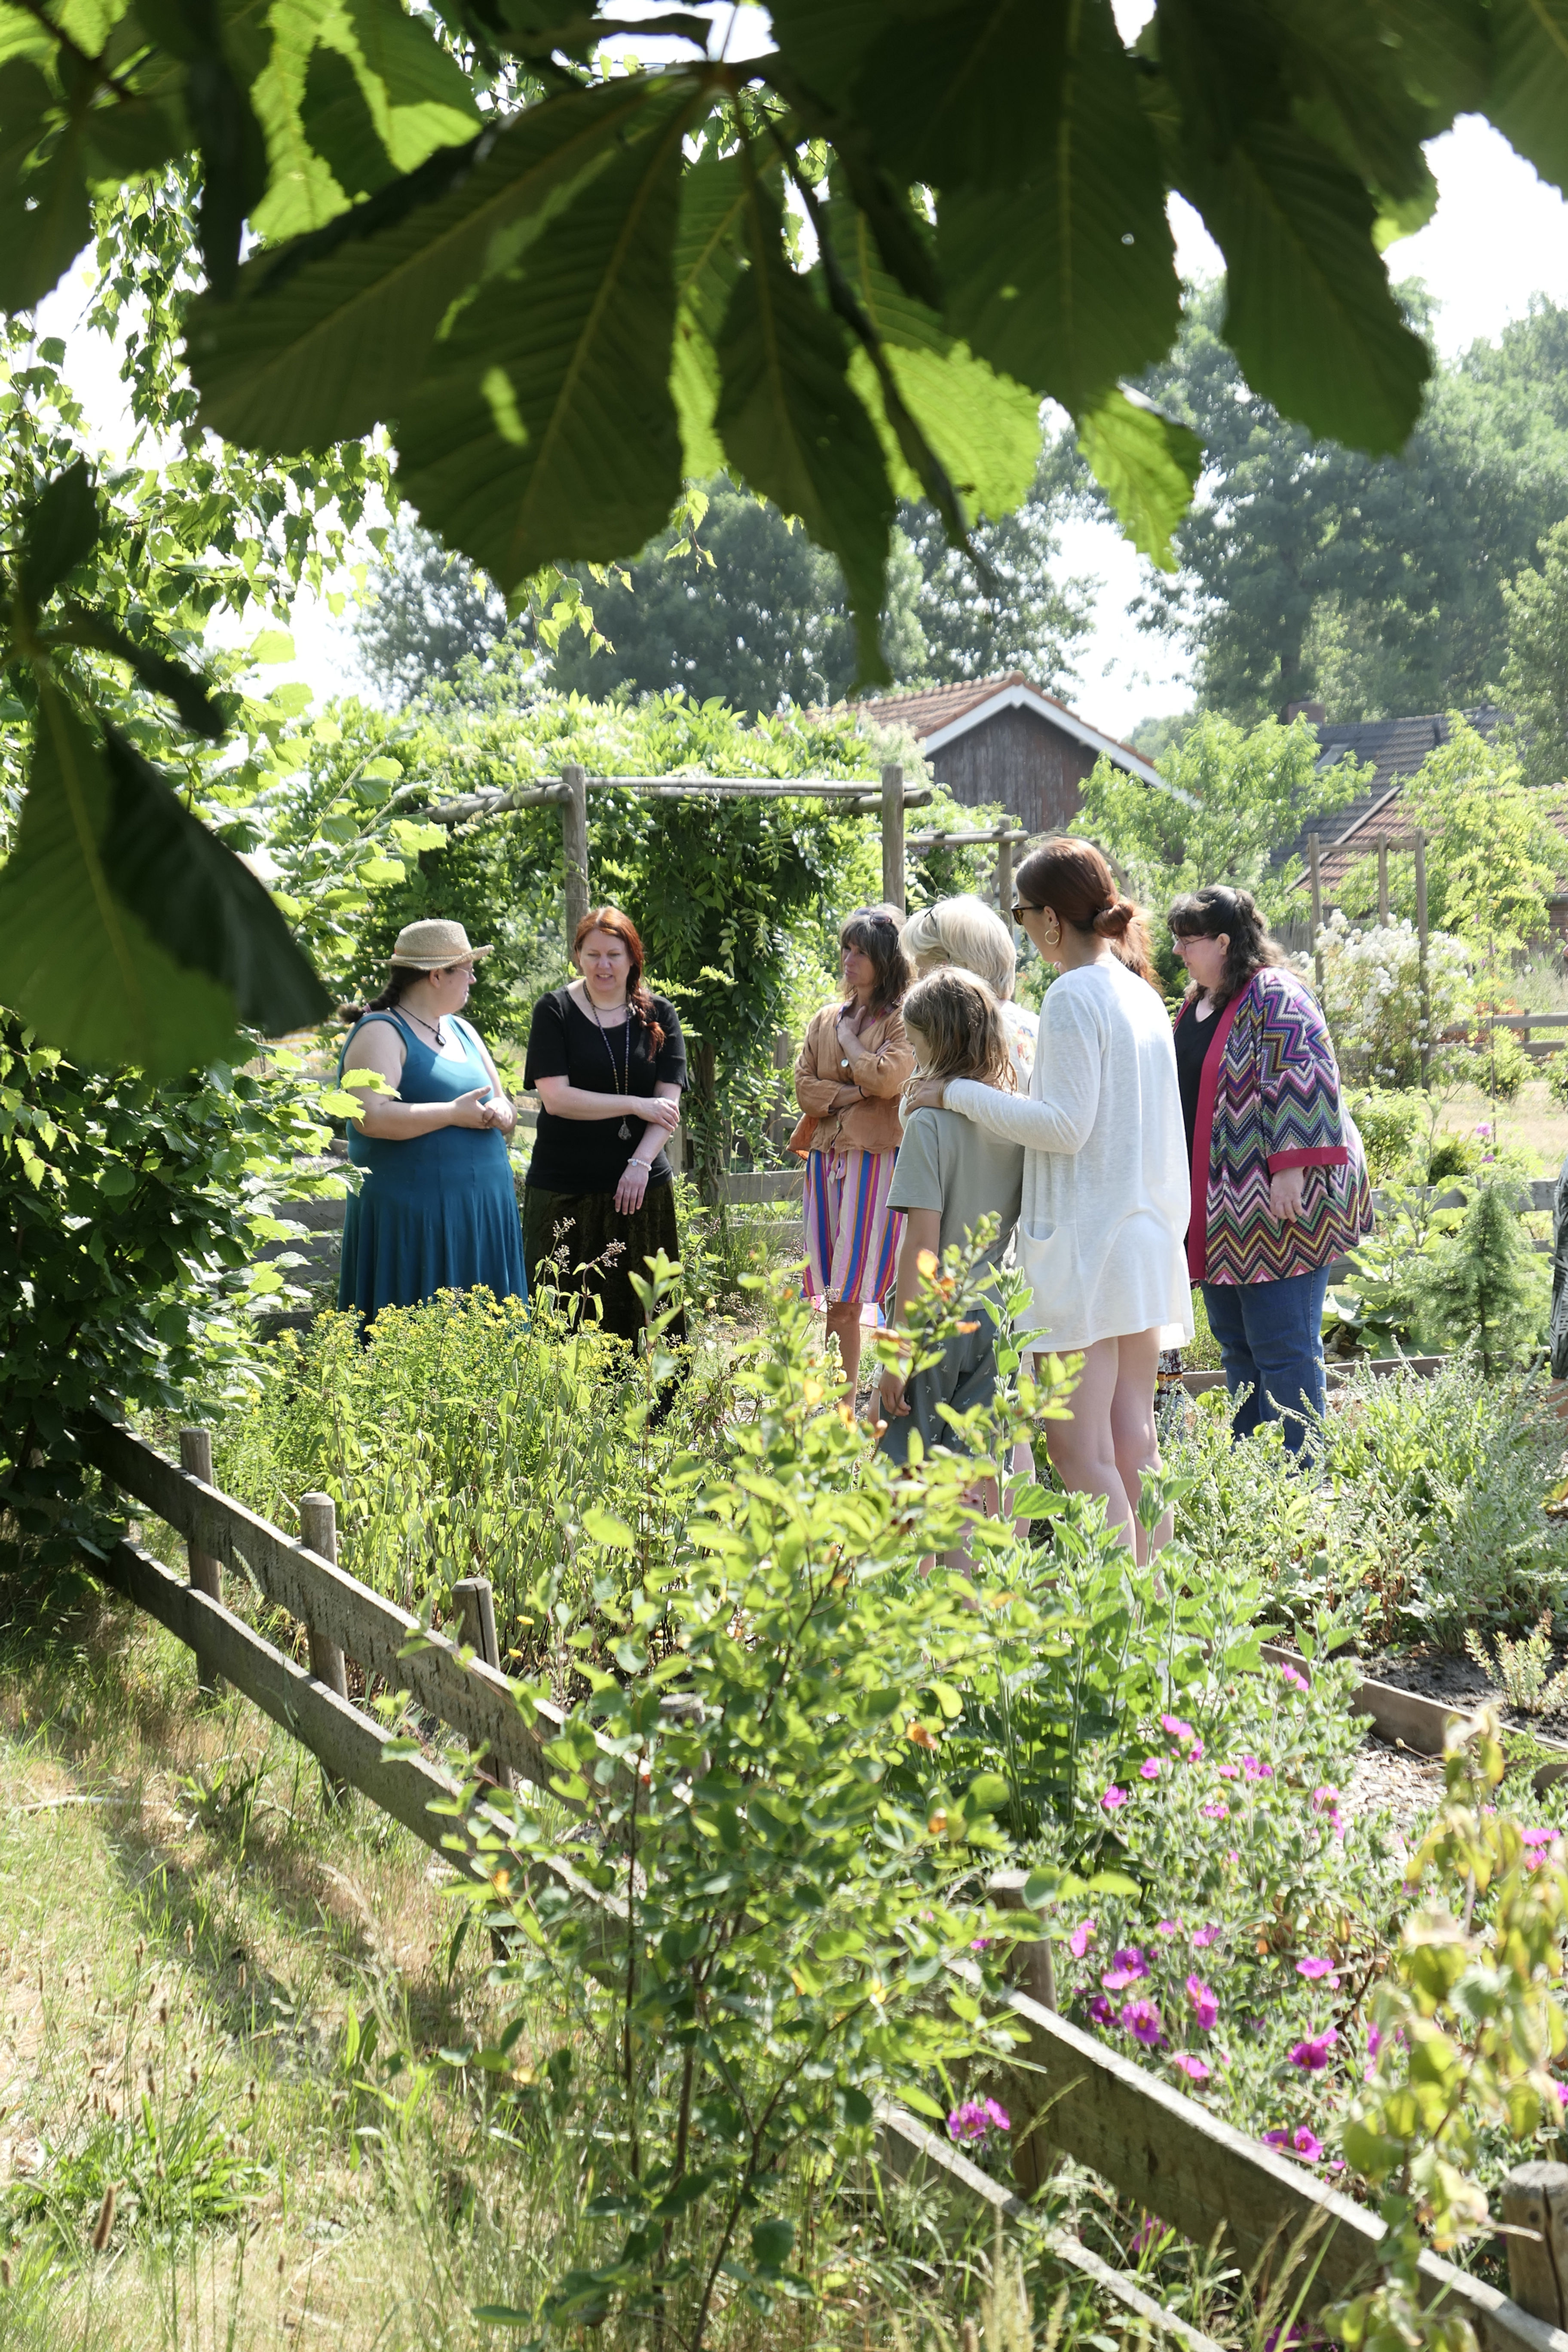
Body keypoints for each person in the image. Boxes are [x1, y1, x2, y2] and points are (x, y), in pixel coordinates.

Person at [907, 840, 1191, 1556]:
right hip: (1146, 1237)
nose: (1023, 931)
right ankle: (1155, 1615)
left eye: (1023, 914)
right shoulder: (1140, 992)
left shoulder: (1072, 992)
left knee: (1075, 1448)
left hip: (1087, 1244)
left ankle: (1122, 1622)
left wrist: (956, 1093)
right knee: (1133, 1437)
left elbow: (1063, 1127)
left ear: (1053, 921)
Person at [1169, 885, 1371, 1453]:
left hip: (1278, 1208)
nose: (1179, 951)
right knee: (1236, 1346)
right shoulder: (1199, 1004)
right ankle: (1253, 1470)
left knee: (1283, 1347)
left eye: (1189, 941)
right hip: (1224, 1214)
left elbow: (1304, 1078)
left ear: (1226, 942)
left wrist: (1292, 1171)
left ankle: (1302, 1482)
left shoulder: (1275, 995)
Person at [878, 969, 1025, 1501]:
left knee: (901, 1474)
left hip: (937, 1321)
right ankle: (965, 1588)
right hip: (995, 1320)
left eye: (916, 1048)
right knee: (966, 1482)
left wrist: (898, 1355)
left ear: (937, 1046)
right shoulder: (1011, 1120)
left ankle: (899, 1584)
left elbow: (922, 1247)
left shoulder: (926, 1125)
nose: (913, 1063)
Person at [337, 918, 526, 1323]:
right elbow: (372, 1117)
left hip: (480, 1211)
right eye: (467, 969)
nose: (473, 979)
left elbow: (503, 1102)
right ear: (437, 976)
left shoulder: (462, 1030)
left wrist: (503, 1112)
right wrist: (453, 1114)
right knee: (418, 1330)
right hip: (415, 1218)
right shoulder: (381, 1032)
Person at [522, 907, 687, 1346]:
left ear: (633, 958)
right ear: (578, 956)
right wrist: (636, 1104)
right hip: (564, 1187)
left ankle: (653, 1413)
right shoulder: (553, 1011)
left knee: (648, 1315)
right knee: (561, 1318)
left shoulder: (661, 1016)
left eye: (614, 954)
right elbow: (557, 1099)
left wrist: (639, 1163)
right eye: (593, 954)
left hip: (640, 1191)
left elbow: (667, 1109)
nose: (604, 965)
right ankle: (566, 1414)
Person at [790, 906, 914, 1397]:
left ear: (886, 959)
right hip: (825, 1161)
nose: (849, 959)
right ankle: (840, 1410)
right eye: (847, 948)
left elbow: (891, 1079)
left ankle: (880, 1403)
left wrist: (848, 1051)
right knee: (834, 1293)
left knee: (875, 1288)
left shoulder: (905, 1019)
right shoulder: (825, 1018)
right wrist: (857, 1092)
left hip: (878, 1162)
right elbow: (805, 1090)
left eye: (861, 951)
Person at [903, 895, 1039, 1084]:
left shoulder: (972, 1039)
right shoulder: (1034, 1024)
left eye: (921, 968)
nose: (917, 981)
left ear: (947, 973)